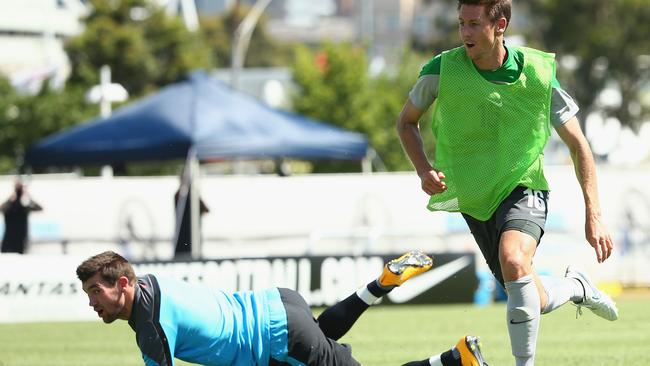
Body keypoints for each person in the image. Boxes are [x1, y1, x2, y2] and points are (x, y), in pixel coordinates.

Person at [396, 0, 618, 365]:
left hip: (524, 186)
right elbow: (406, 122)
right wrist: (422, 169)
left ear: (499, 25)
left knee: (514, 260)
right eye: (461, 24)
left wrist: (594, 213)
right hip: (474, 197)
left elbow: (579, 146)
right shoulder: (442, 69)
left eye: (473, 24)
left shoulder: (539, 74)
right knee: (531, 295)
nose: (464, 33)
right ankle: (578, 287)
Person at [76, 250, 489, 366]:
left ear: (124, 284)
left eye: (96, 291)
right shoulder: (151, 285)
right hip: (278, 303)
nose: (92, 302)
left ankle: (458, 359)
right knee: (323, 335)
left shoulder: (150, 326)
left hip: (276, 340)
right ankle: (380, 285)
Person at [1, 180, 42, 254]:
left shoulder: (24, 208)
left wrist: (29, 197)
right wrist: (10, 199)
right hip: (10, 241)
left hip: (19, 241)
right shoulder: (11, 207)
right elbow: (1, 209)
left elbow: (39, 208)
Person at [173, 180, 209, 258]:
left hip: (192, 235)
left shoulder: (193, 196)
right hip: (183, 237)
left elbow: (206, 210)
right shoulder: (180, 196)